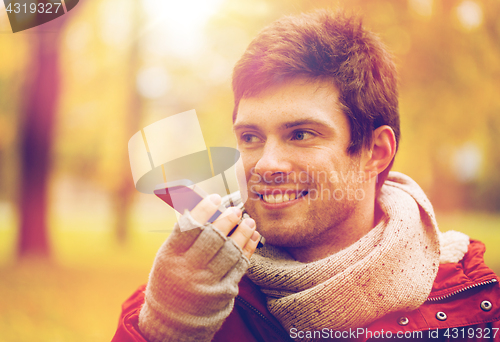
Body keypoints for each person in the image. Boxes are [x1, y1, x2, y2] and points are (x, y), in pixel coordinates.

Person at [112, 9, 500, 342]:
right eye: (250, 137)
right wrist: (167, 328)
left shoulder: (473, 303)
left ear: (375, 152)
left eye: (301, 134)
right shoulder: (182, 294)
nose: (265, 164)